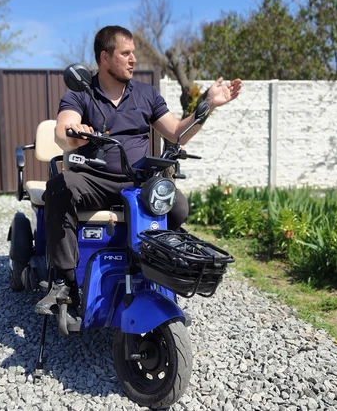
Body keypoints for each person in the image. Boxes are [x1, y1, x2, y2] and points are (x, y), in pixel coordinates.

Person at [35, 25, 242, 315]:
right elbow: (62, 131)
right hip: (93, 180)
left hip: (136, 182)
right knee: (59, 188)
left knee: (178, 207)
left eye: (133, 53)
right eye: (125, 53)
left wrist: (207, 104)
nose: (133, 59)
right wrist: (75, 134)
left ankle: (160, 267)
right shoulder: (80, 93)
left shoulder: (146, 94)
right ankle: (65, 282)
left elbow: (177, 133)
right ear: (105, 57)